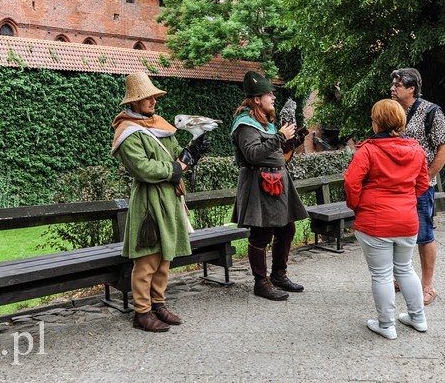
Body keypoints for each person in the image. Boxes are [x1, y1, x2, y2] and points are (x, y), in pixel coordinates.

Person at [110, 72, 210, 332]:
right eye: (146, 97)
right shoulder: (127, 132)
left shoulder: (159, 124)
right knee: (147, 259)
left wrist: (193, 150)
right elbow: (142, 168)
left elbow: (176, 154)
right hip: (148, 201)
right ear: (134, 101)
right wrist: (175, 169)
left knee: (165, 256)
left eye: (153, 96)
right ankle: (142, 313)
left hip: (169, 197)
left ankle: (158, 304)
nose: (153, 100)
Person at [345, 99, 430, 339]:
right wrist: (404, 201)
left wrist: (357, 206)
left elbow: (352, 183)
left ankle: (386, 325)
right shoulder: (416, 149)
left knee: (382, 274)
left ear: (377, 122)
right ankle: (418, 318)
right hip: (407, 219)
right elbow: (422, 183)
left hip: (375, 221)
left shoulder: (368, 150)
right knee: (405, 269)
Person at [231, 71, 309, 301]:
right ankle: (260, 282)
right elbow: (253, 155)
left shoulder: (265, 123)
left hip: (278, 182)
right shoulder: (245, 124)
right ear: (257, 99)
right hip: (258, 183)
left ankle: (278, 275)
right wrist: (280, 138)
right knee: (261, 234)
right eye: (269, 95)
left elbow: (278, 154)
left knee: (287, 229)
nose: (273, 98)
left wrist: (292, 141)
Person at [390, 68, 445, 306]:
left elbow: (443, 149)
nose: (392, 89)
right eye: (393, 85)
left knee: (424, 234)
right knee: (396, 233)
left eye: (397, 85)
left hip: (420, 186)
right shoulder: (392, 110)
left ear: (411, 88)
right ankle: (400, 276)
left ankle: (427, 285)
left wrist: (426, 178)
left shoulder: (431, 112)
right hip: (395, 184)